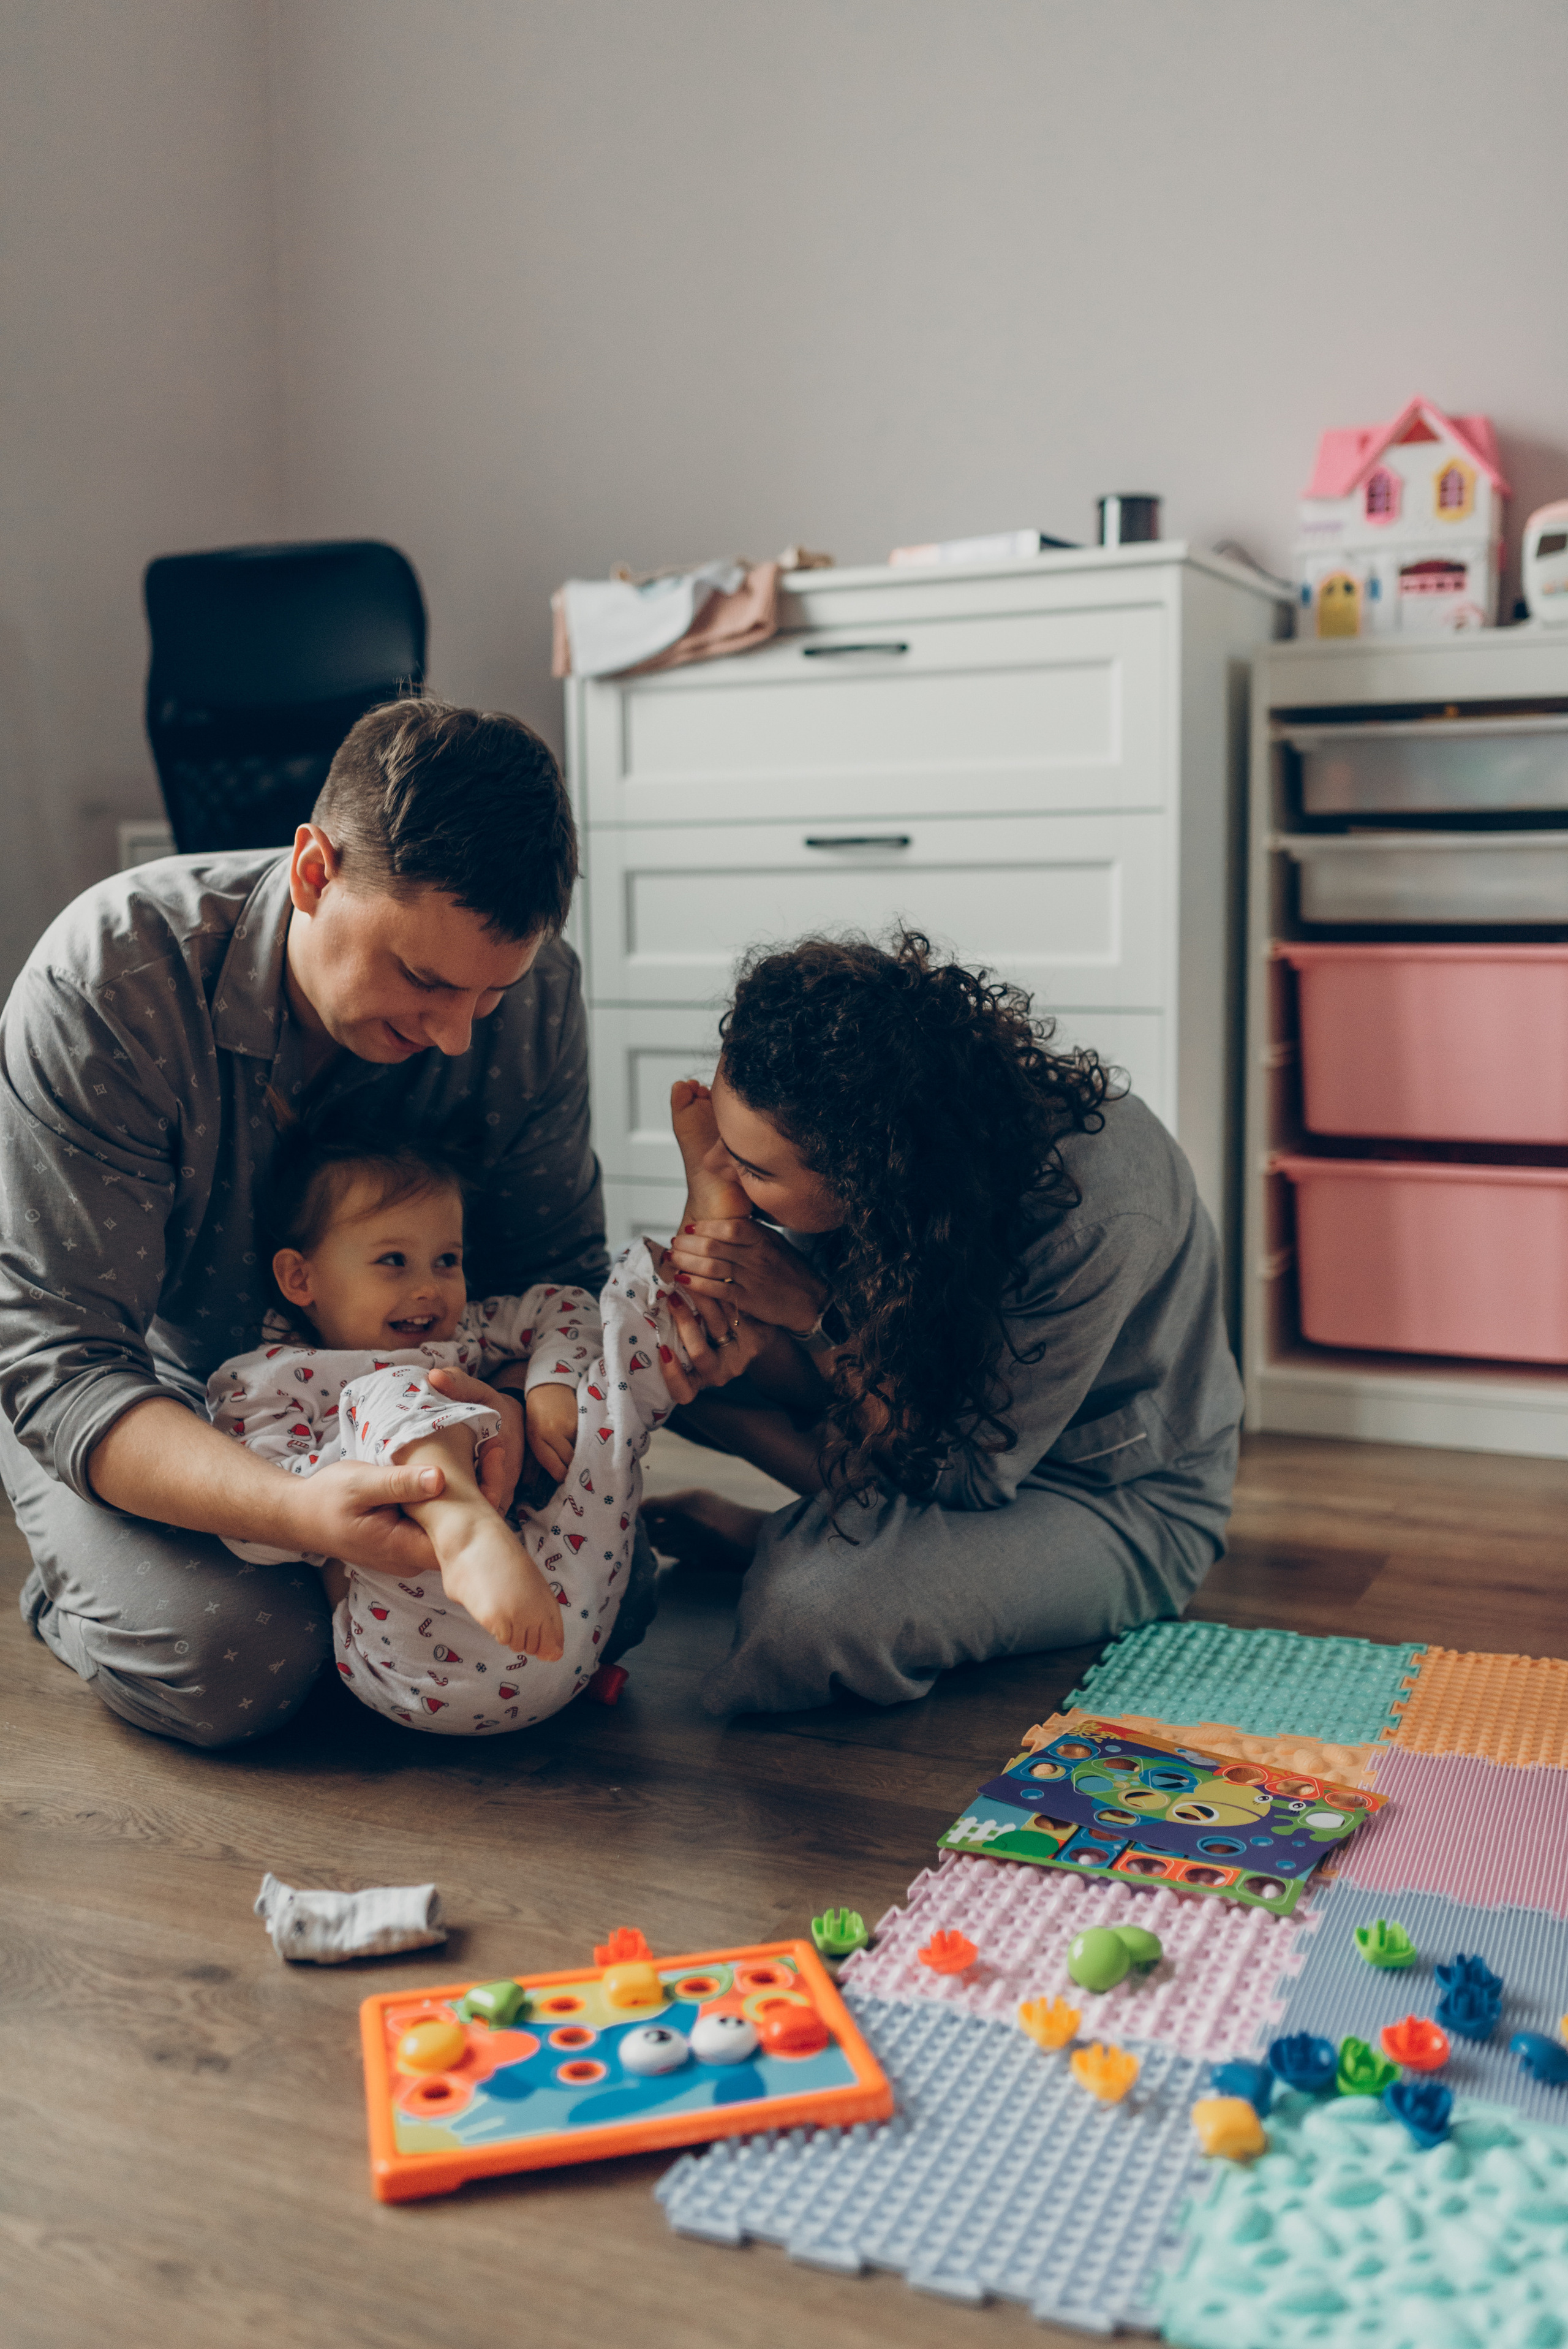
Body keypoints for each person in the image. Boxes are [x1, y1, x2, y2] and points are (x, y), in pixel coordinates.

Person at [0, 697, 653, 1747]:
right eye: (424, 980)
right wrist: (298, 1512)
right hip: (150, 1384)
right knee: (237, 1659)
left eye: (486, 997)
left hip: (420, 1389)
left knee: (615, 1607)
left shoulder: (525, 998)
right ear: (313, 871)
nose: (453, 1035)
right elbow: (65, 1365)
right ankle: (78, 1594)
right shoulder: (110, 984)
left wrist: (525, 1410)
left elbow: (557, 1273)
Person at [644, 932, 1246, 1717]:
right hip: (910, 1418)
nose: (734, 1174)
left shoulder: (1094, 1211)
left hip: (1106, 1495)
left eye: (752, 1169)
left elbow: (962, 1475)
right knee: (653, 1350)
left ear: (873, 1171)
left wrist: (813, 1310)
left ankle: (793, 1537)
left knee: (807, 1620)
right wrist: (716, 1200)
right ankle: (824, 1531)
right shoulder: (882, 1137)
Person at [205, 1111, 685, 1734]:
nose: (430, 1288)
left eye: (447, 1260)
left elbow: (562, 1304)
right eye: (394, 1261)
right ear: (301, 1278)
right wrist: (386, 1479)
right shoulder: (264, 1380)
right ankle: (461, 1530)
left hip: (563, 1633)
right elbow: (256, 1528)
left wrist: (546, 1388)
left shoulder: (469, 1331)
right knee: (396, 1386)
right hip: (410, 1651)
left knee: (616, 1369)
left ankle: (705, 1225)